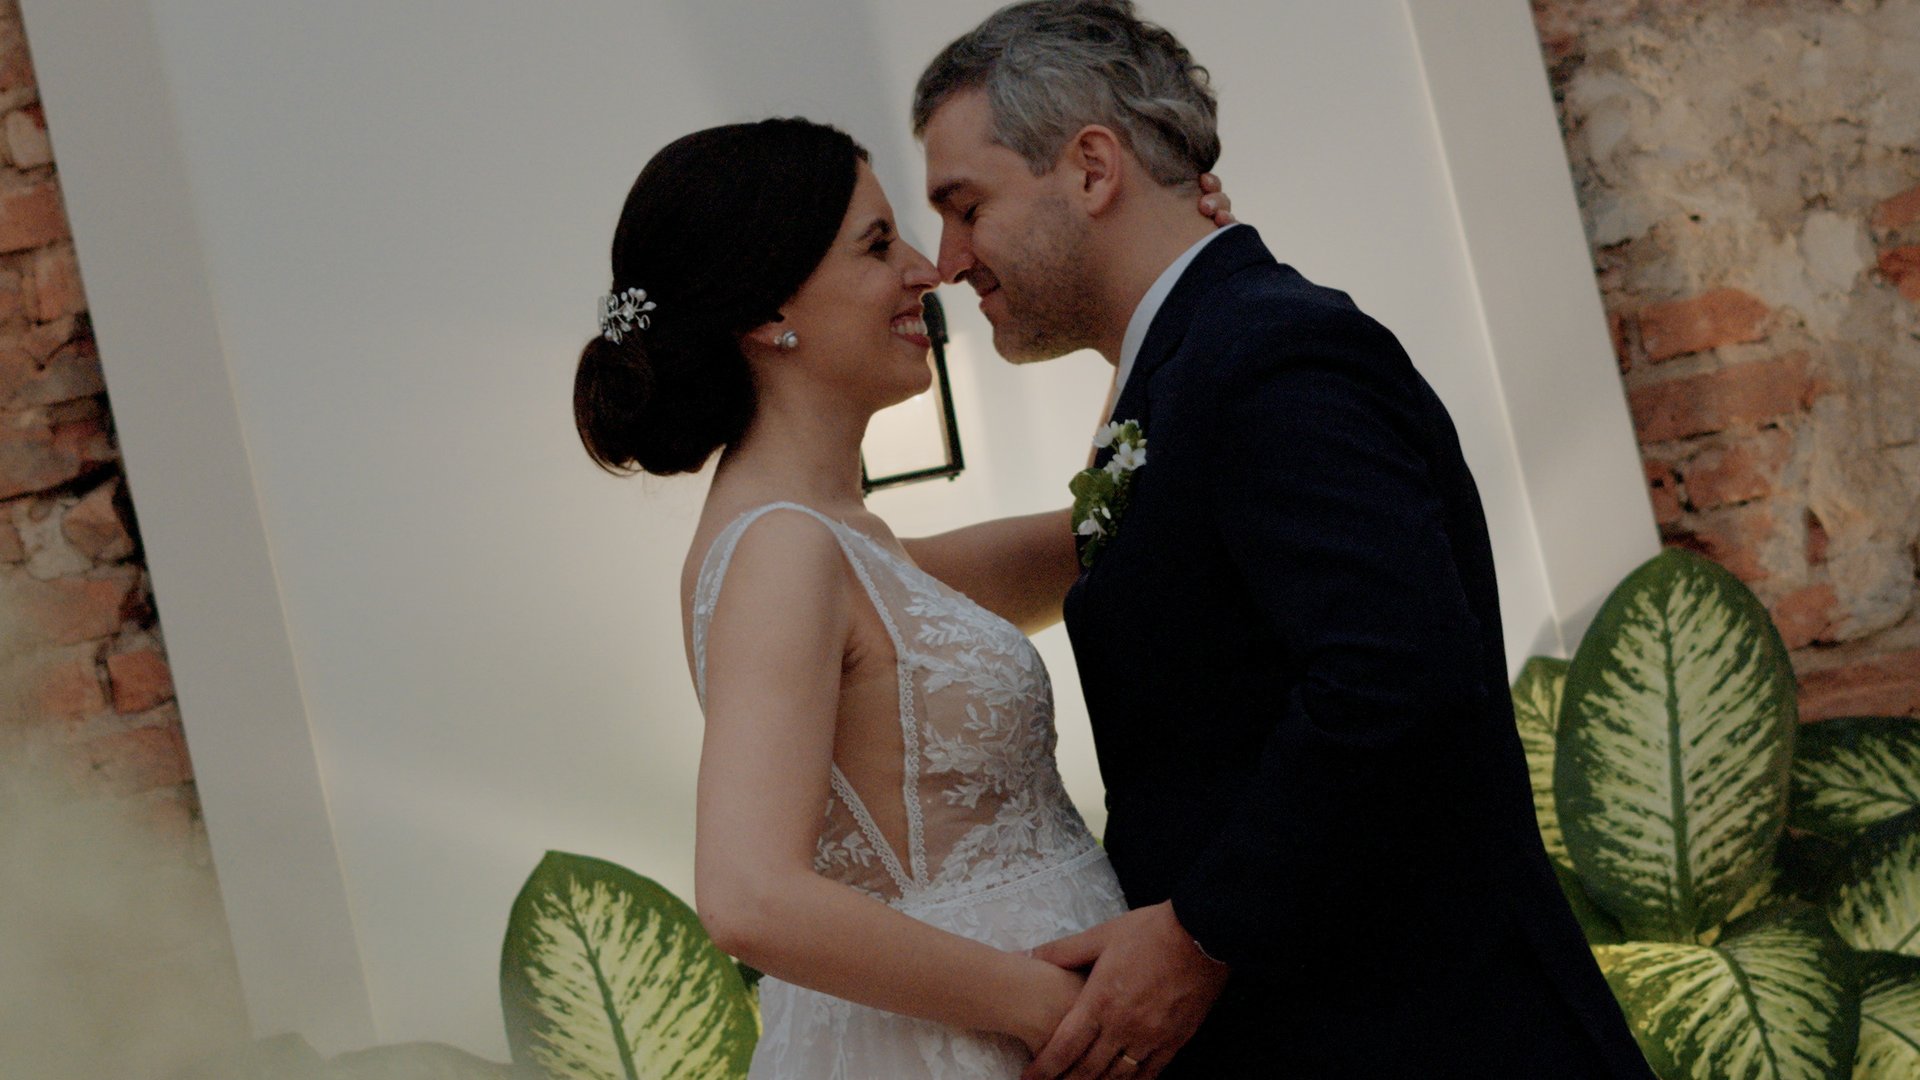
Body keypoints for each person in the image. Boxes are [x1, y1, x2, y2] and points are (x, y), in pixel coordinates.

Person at [911, 3, 1657, 1078]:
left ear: (1090, 167)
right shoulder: (1187, 370)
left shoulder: (1271, 352)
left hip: (1435, 1036)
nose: (948, 260)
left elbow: (1393, 672)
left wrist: (1199, 933)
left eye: (965, 205)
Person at [572, 118, 1230, 1078]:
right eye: (879, 246)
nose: (927, 271)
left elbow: (1096, 527)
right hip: (969, 1048)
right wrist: (1049, 1008)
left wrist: (1164, 282)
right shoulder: (780, 552)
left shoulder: (843, 543)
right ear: (766, 312)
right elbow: (748, 895)